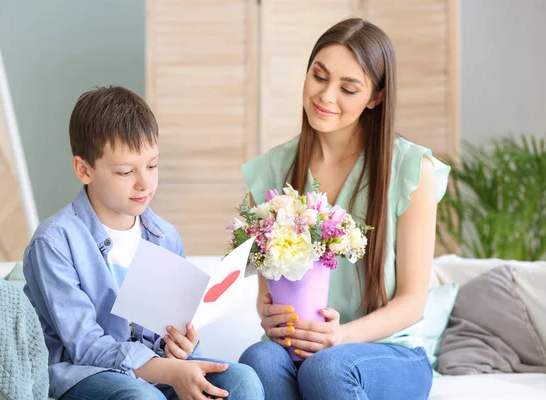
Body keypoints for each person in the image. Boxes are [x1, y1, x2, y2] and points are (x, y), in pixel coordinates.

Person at [238, 18, 450, 400]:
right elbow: (266, 290)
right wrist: (269, 316)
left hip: (391, 353)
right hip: (301, 349)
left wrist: (341, 336)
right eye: (319, 76)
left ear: (376, 97)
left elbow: (412, 301)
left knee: (327, 367)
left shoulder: (411, 169)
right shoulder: (272, 171)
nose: (326, 96)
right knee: (259, 359)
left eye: (348, 88)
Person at [23, 86, 264, 400]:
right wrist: (167, 370)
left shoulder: (164, 236)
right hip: (83, 375)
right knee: (144, 398)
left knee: (243, 381)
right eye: (125, 171)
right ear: (84, 170)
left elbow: (165, 332)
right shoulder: (54, 243)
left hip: (155, 371)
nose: (144, 183)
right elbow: (84, 346)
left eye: (152, 166)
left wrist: (180, 344)